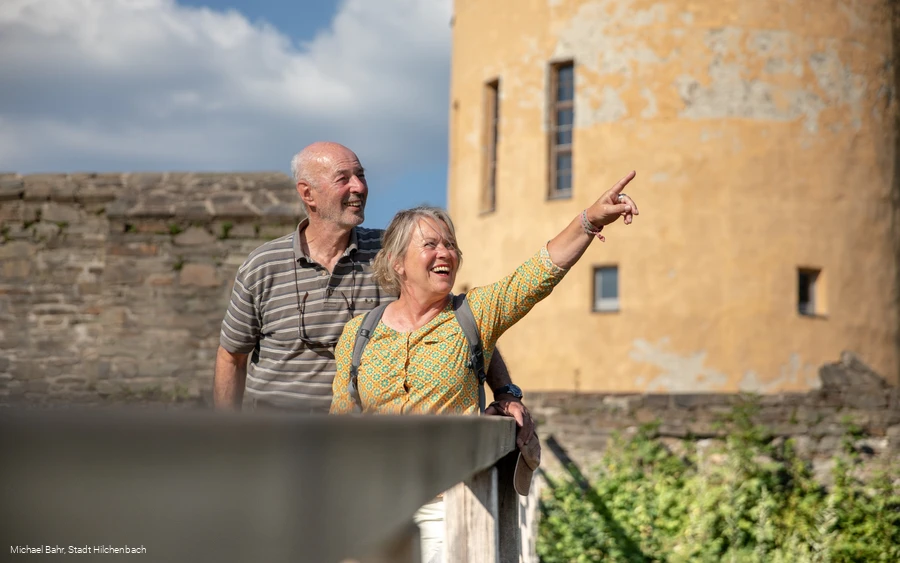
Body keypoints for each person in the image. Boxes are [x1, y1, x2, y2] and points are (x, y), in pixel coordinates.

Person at [329, 171, 639, 562]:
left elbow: (537, 274)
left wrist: (589, 220)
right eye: (430, 245)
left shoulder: (474, 312)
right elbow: (341, 423)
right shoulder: (359, 333)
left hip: (450, 510)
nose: (445, 253)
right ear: (398, 262)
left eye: (450, 245)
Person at [213, 142, 535, 440]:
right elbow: (232, 357)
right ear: (307, 194)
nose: (359, 187)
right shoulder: (263, 266)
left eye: (361, 175)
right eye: (343, 178)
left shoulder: (393, 254)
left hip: (358, 445)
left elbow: (464, 321)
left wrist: (505, 392)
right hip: (274, 439)